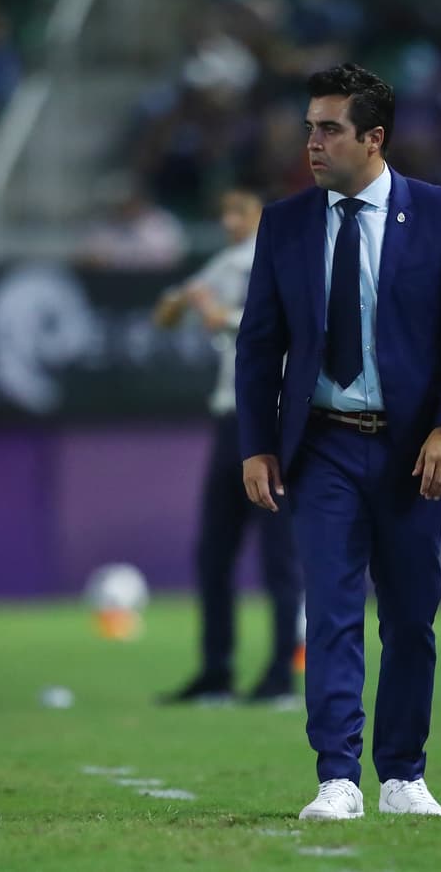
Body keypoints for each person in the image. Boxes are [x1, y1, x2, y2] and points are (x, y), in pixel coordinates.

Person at [235, 65, 441, 820]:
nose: (312, 143)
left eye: (329, 129)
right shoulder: (285, 223)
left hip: (415, 452)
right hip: (323, 447)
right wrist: (257, 443)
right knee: (331, 611)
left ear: (374, 138)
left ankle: (403, 775)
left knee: (410, 618)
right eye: (309, 128)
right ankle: (337, 777)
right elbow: (259, 345)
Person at [152, 186, 303, 705]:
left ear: (263, 213)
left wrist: (220, 314)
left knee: (279, 553)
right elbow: (167, 316)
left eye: (239, 211)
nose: (229, 221)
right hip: (230, 418)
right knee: (215, 550)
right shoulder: (227, 263)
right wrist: (180, 303)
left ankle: (281, 674)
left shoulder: (286, 258)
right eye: (224, 212)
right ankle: (216, 671)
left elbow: (294, 324)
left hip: (274, 416)